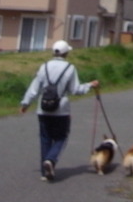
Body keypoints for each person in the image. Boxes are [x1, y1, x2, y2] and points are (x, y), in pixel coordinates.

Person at [20, 40, 99, 182]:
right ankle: (51, 160)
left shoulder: (43, 67)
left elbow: (34, 89)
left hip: (43, 108)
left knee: (45, 138)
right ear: (66, 53)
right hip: (61, 109)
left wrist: (25, 104)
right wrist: (90, 85)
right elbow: (76, 90)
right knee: (61, 137)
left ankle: (45, 172)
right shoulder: (70, 68)